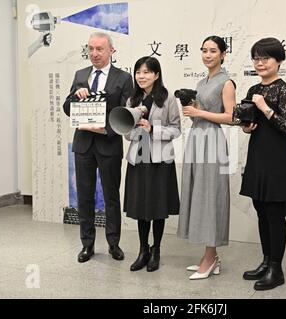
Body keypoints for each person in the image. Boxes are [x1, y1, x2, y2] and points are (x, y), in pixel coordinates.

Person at [63, 32, 133, 263]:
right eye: (91, 49)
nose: (94, 53)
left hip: (109, 144)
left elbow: (127, 115)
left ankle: (114, 244)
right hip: (83, 145)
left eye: (99, 49)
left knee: (112, 196)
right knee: (84, 196)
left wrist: (107, 131)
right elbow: (67, 108)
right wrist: (75, 96)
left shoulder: (123, 78)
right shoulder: (80, 75)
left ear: (111, 51)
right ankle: (87, 245)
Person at [177, 35, 236, 280]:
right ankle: (210, 256)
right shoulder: (201, 82)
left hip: (212, 140)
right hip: (197, 139)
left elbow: (231, 117)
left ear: (223, 54)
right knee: (198, 195)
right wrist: (191, 110)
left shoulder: (227, 82)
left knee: (210, 196)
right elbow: (200, 116)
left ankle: (210, 258)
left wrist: (198, 111)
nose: (207, 55)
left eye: (213, 51)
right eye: (204, 50)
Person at [239, 37, 286, 290]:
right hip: (257, 157)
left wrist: (264, 108)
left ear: (279, 61)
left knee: (275, 214)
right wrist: (246, 126)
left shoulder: (284, 90)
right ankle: (265, 261)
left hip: (276, 160)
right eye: (256, 58)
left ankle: (277, 268)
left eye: (265, 58)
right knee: (261, 211)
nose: (260, 63)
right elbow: (250, 124)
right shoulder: (253, 89)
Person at [123, 56, 181, 272]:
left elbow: (176, 129)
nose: (141, 76)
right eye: (138, 72)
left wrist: (153, 130)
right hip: (138, 159)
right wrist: (136, 129)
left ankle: (156, 250)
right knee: (140, 207)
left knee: (157, 207)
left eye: (146, 72)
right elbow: (127, 134)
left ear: (156, 75)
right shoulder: (132, 101)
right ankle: (142, 250)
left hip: (159, 161)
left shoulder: (168, 99)